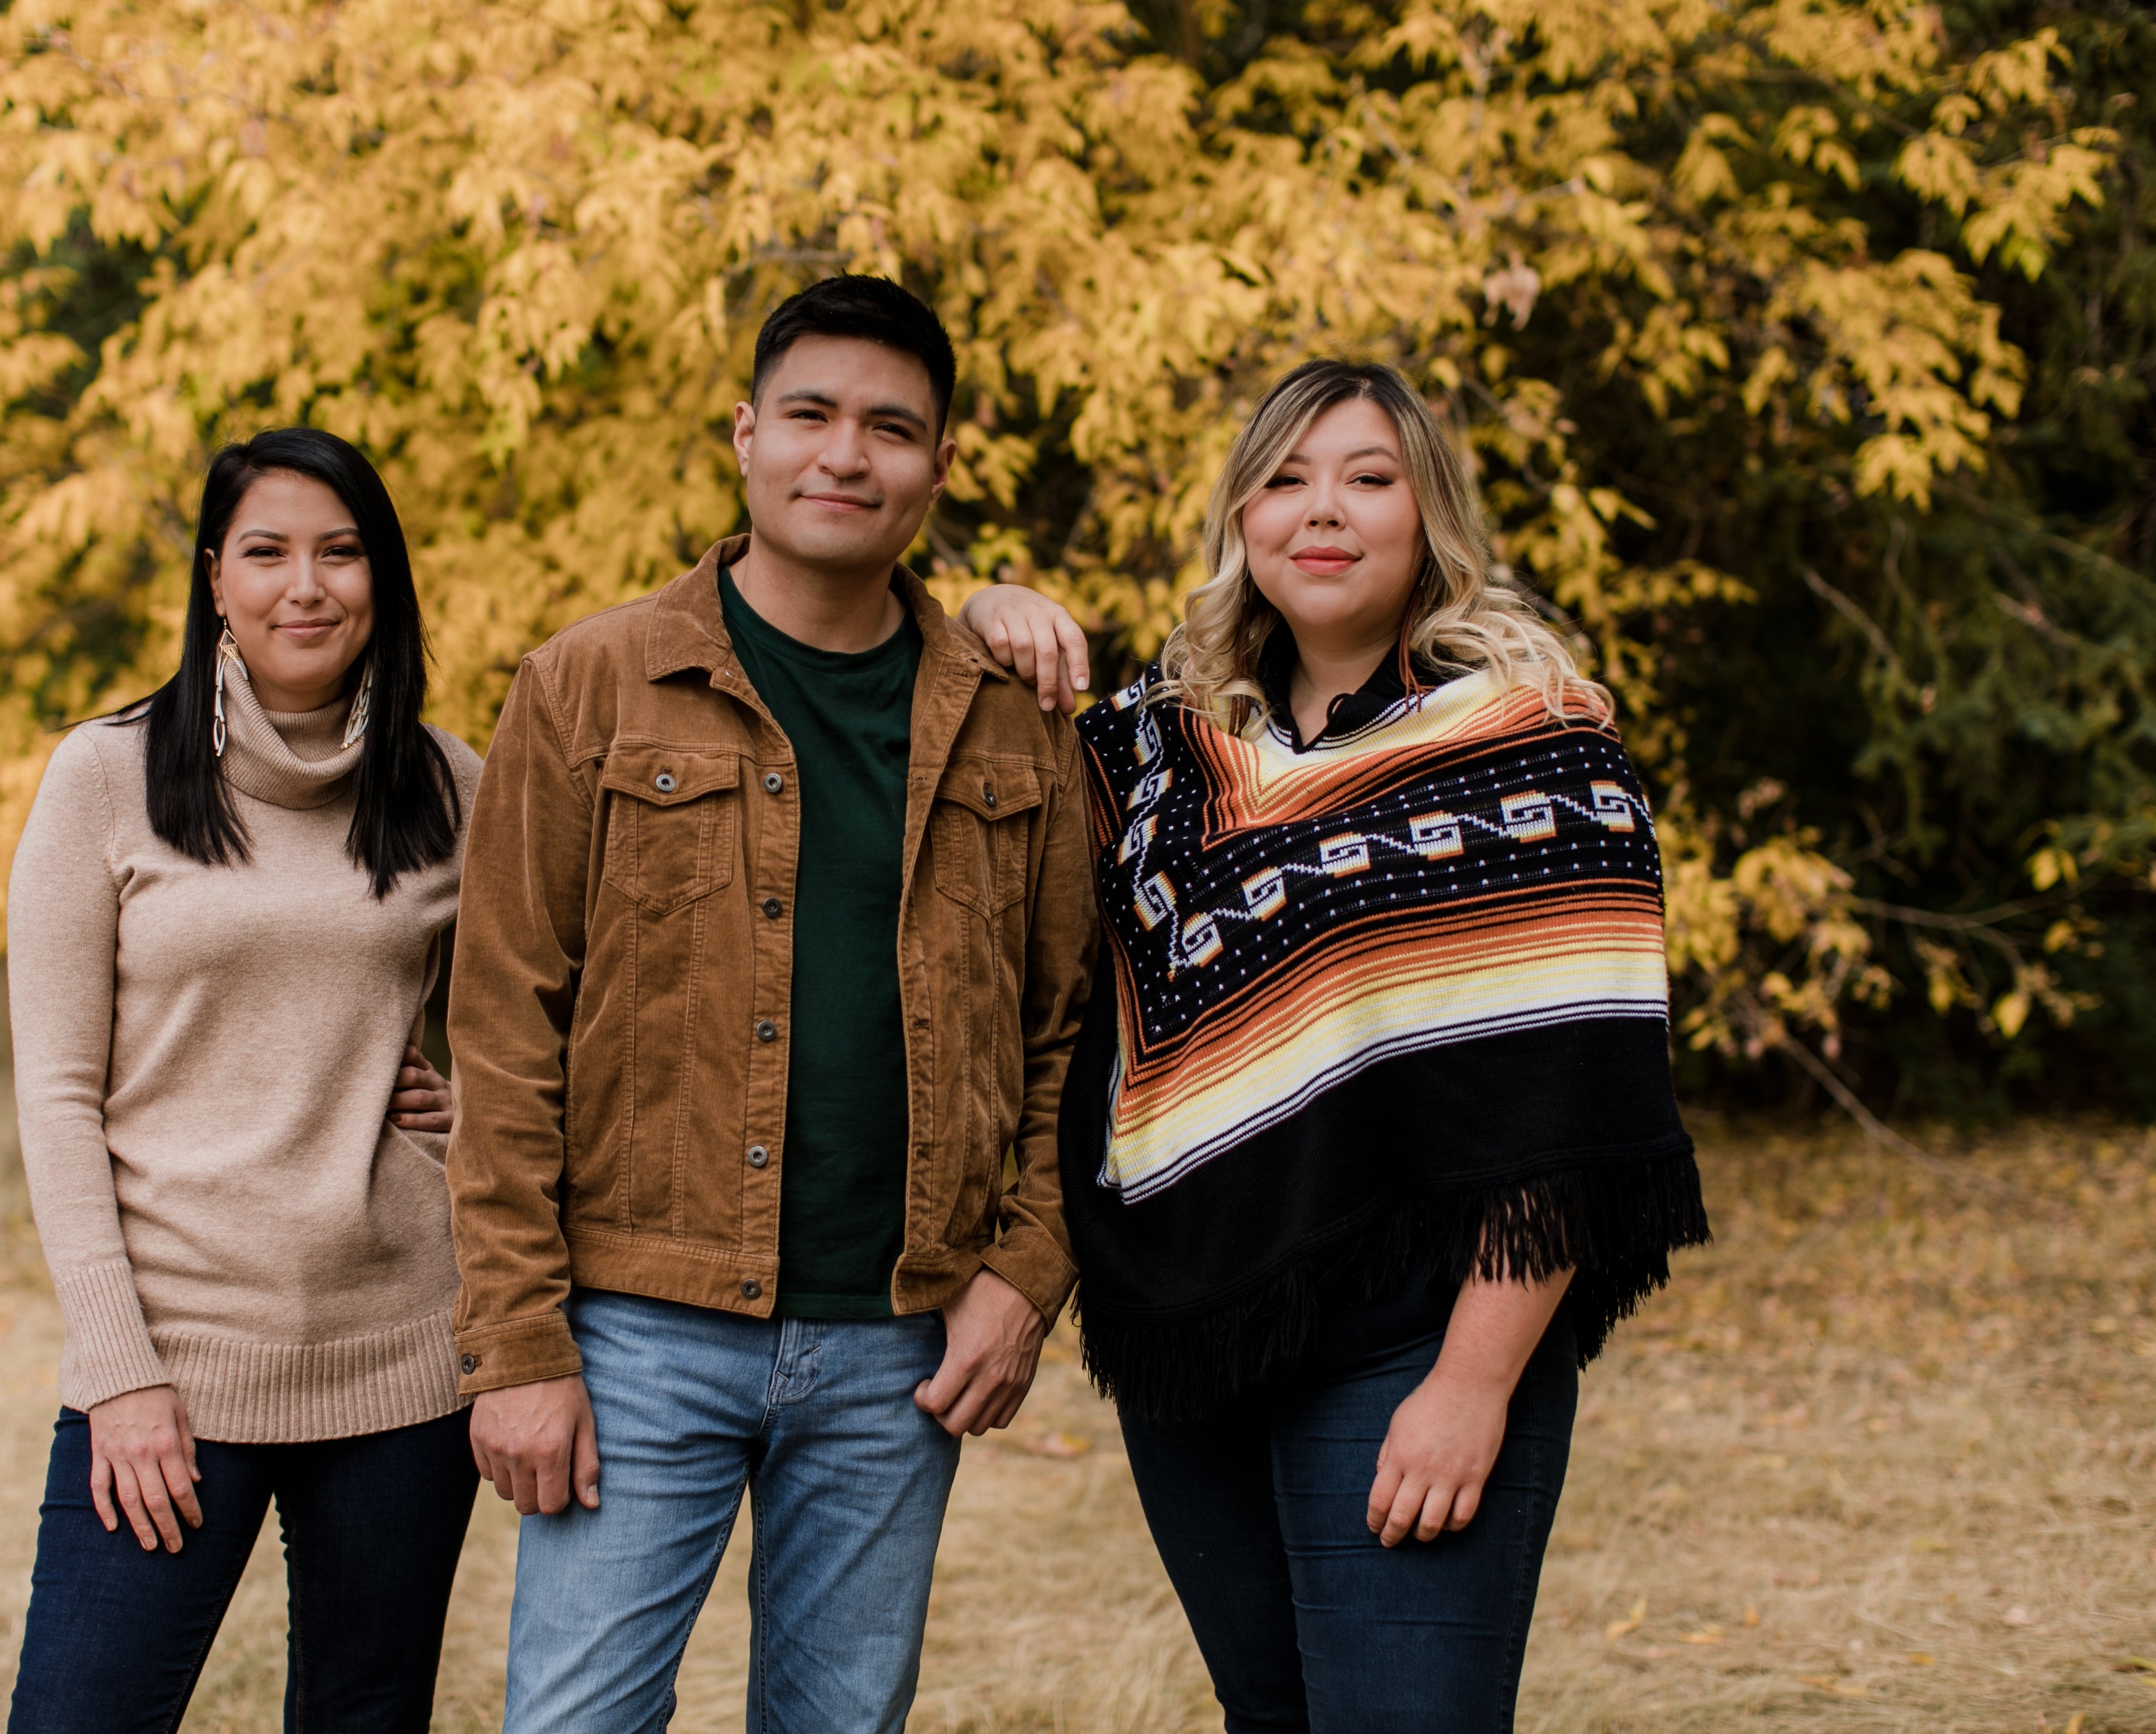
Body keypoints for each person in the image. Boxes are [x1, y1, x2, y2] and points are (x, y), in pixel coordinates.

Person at [958, 360, 1710, 1732]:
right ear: (1240, 518)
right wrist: (979, 613)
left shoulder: (1537, 754)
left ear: (1426, 514)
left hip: (1411, 1343)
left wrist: (1468, 1389)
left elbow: (1576, 1107)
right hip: (1194, 1343)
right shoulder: (1154, 752)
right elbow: (976, 850)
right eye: (1285, 479)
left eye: (1367, 479)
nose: (1324, 512)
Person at [442, 274, 1099, 1733]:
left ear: (938, 466)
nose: (843, 455)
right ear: (743, 436)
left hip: (895, 1344)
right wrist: (519, 1347)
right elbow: (499, 1033)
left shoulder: (1013, 715)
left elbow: (1074, 1032)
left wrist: (1025, 1272)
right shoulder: (588, 685)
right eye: (807, 414)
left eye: (889, 428)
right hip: (634, 1327)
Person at [3, 428, 481, 1733]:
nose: (304, 586)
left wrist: (473, 1111)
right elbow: (55, 1093)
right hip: (177, 1355)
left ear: (382, 577)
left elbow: (574, 1020)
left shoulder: (452, 786)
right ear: (216, 580)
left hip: (404, 1365)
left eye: (341, 551)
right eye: (266, 552)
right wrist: (117, 1368)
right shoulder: (103, 775)